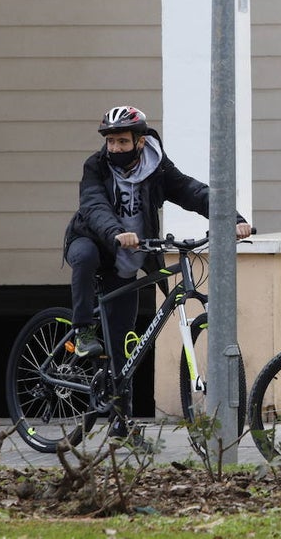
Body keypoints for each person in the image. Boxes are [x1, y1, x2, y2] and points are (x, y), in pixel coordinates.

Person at [63, 105, 252, 439]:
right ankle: (82, 331)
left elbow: (192, 192)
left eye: (123, 141)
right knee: (85, 255)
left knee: (123, 345)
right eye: (111, 142)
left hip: (130, 257)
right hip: (94, 239)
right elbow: (94, 206)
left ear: (139, 141)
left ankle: (121, 424)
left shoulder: (157, 166)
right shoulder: (95, 166)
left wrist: (232, 219)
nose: (115, 148)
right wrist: (116, 233)